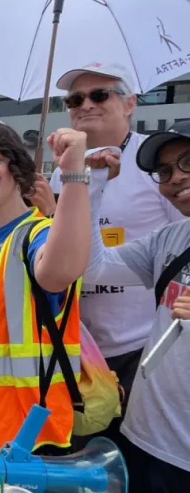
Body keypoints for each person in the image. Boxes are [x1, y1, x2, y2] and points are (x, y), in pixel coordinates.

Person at [50, 62, 183, 443]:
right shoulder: (62, 171)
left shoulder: (159, 163)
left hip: (143, 346)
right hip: (77, 345)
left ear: (130, 104)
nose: (85, 104)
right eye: (75, 99)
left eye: (99, 94)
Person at [0, 122, 91, 453]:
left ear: (15, 167)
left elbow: (61, 270)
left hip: (22, 434)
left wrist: (73, 176)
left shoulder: (38, 235)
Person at [80, 120, 190, 491]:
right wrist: (95, 185)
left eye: (187, 162)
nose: (174, 178)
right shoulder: (168, 239)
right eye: (164, 171)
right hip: (144, 437)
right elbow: (92, 268)